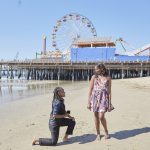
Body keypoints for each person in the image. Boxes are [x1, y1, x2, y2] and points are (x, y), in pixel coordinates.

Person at [87, 63, 113, 140]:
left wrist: (109, 103)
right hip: (94, 98)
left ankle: (106, 131)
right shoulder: (94, 77)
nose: (95, 70)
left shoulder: (108, 78)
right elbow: (90, 90)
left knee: (101, 116)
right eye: (95, 69)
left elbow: (109, 92)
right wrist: (88, 102)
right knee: (96, 116)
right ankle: (98, 133)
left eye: (97, 69)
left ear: (102, 69)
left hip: (104, 99)